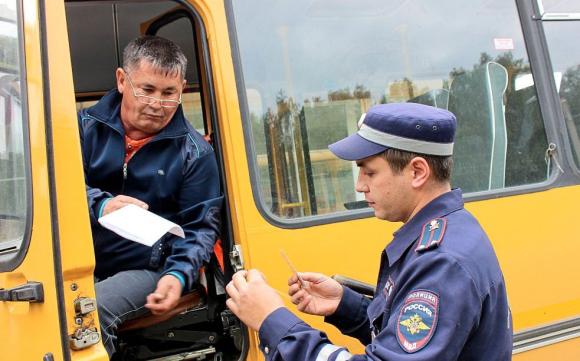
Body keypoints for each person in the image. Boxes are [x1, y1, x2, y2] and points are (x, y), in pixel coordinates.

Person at [225, 103, 512, 360]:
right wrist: (344, 306)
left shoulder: (442, 264)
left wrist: (272, 320)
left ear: (417, 172)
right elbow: (402, 340)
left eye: (369, 172)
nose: (360, 185)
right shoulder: (450, 232)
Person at [78, 35, 222, 357]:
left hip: (152, 267)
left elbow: (200, 230)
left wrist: (177, 276)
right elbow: (58, 193)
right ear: (121, 80)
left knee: (88, 313)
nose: (158, 104)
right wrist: (100, 205)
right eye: (147, 89)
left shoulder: (195, 153)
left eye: (169, 93)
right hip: (83, 261)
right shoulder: (82, 129)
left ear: (182, 89)